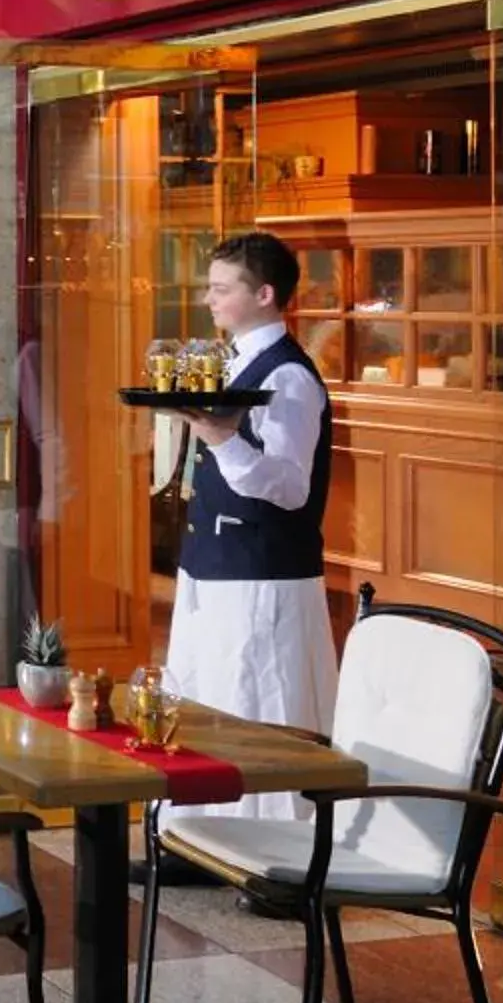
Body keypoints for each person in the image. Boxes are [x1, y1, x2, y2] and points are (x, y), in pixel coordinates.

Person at [165, 230, 339, 825]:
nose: (208, 299)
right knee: (208, 697)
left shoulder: (288, 377)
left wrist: (220, 439)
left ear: (264, 294)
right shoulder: (231, 362)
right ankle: (201, 835)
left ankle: (269, 843)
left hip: (261, 573)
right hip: (212, 566)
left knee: (258, 703)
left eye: (221, 289)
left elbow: (290, 487)